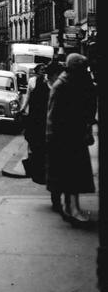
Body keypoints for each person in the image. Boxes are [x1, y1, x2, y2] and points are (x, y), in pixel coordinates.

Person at [46, 52, 97, 225]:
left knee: (71, 174)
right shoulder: (63, 85)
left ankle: (71, 207)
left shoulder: (74, 83)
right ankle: (71, 208)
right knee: (70, 174)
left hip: (72, 136)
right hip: (65, 138)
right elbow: (52, 115)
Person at [21, 61, 63, 208]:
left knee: (57, 165)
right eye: (59, 74)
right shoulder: (37, 84)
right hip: (40, 131)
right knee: (44, 163)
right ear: (52, 75)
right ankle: (54, 194)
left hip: (58, 133)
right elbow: (33, 109)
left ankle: (56, 195)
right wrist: (29, 131)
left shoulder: (62, 87)